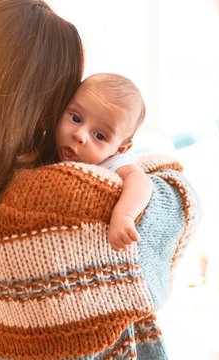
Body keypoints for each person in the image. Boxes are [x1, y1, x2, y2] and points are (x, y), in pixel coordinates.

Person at [0, 0, 200, 359]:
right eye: (72, 112)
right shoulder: (74, 202)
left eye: (99, 134)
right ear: (38, 101)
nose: (79, 137)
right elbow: (183, 203)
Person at [56, 73, 151, 252]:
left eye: (99, 136)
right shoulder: (48, 145)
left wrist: (123, 215)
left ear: (120, 149)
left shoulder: (111, 163)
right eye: (76, 118)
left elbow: (141, 182)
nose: (79, 135)